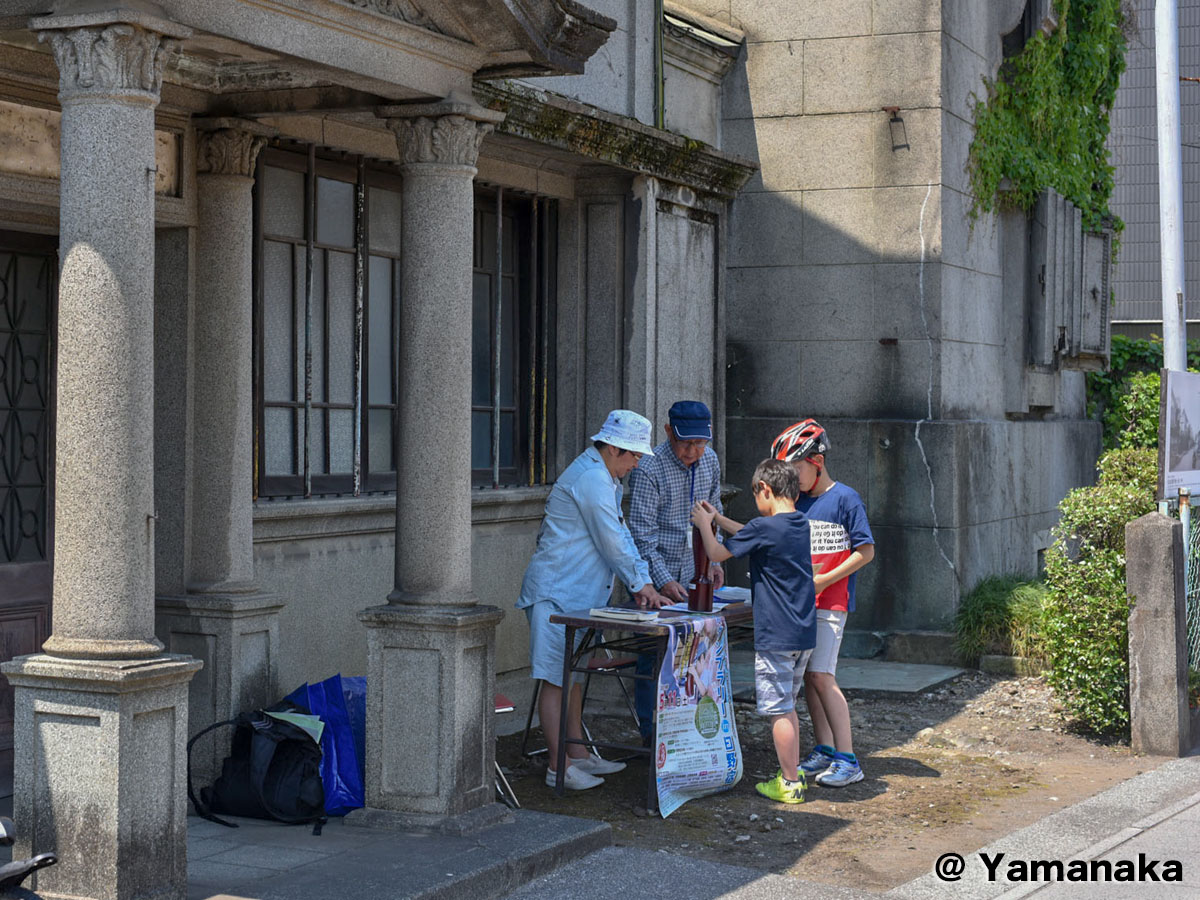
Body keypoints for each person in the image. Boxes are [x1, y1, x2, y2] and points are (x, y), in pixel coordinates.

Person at [516, 410, 668, 791]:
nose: (636, 463)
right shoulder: (592, 479)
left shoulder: (605, 478)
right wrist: (641, 584)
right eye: (633, 455)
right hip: (556, 592)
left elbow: (620, 534)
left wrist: (644, 581)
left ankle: (578, 753)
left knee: (575, 676)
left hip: (576, 594)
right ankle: (557, 766)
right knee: (556, 679)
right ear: (614, 449)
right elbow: (613, 540)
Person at [690, 459, 816, 804]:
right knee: (788, 705)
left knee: (778, 710)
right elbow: (750, 532)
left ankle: (789, 782)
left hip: (776, 635)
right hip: (802, 632)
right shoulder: (797, 523)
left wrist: (705, 525)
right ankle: (793, 771)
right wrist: (718, 519)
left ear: (765, 490)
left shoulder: (765, 528)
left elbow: (717, 551)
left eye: (755, 494)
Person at [771, 419, 875, 788]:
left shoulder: (845, 498)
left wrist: (826, 580)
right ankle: (826, 749)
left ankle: (848, 758)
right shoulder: (794, 502)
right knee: (810, 679)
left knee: (821, 676)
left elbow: (866, 551)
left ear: (816, 461)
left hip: (831, 603)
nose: (790, 479)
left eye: (794, 470)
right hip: (801, 606)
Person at [628, 400, 724, 741]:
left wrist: (714, 560)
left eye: (701, 443)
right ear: (669, 431)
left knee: (697, 659)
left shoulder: (709, 461)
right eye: (686, 443)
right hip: (655, 582)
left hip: (695, 573)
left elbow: (716, 516)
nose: (694, 451)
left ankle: (691, 734)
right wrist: (663, 580)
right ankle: (651, 735)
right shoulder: (649, 468)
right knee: (653, 660)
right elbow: (640, 533)